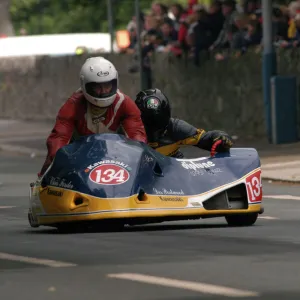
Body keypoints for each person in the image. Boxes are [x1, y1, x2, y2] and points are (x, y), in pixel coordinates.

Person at [38, 56, 147, 177]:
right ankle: (41, 182)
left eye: (108, 85)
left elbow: (138, 139)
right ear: (85, 85)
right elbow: (59, 137)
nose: (104, 91)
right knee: (50, 164)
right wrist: (59, 161)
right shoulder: (73, 105)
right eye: (97, 87)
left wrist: (137, 161)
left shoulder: (125, 103)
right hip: (79, 158)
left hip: (117, 157)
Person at [134, 88, 233, 157]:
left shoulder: (176, 128)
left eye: (157, 120)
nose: (154, 124)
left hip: (172, 175)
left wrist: (220, 137)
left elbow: (205, 139)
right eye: (149, 120)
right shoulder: (126, 131)